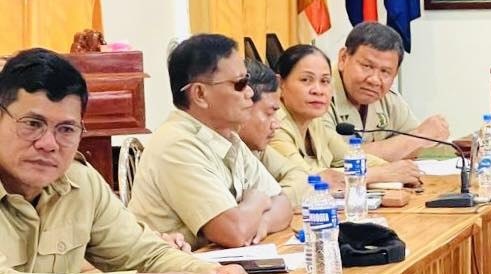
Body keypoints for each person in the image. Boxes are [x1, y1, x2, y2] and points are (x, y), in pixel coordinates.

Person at [0, 48, 259, 274]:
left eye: (66, 129)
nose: (48, 144)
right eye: (32, 124)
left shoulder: (80, 183)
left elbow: (144, 254)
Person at [130, 34, 292, 250]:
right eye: (240, 83)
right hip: (173, 268)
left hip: (213, 264)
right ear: (200, 94)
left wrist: (260, 223)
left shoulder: (227, 136)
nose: (250, 92)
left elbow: (283, 203)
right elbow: (234, 233)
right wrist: (258, 200)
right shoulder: (176, 145)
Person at [270, 45, 420, 187]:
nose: (318, 90)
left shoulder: (315, 123)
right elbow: (306, 180)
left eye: (325, 81)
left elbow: (351, 158)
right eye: (306, 80)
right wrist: (380, 174)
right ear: (280, 84)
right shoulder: (273, 125)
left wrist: (396, 169)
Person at [323, 22, 449, 162]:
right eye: (367, 66)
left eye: (385, 71)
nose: (374, 80)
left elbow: (419, 145)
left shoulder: (387, 96)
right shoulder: (318, 92)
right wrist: (419, 137)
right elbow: (336, 156)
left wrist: (428, 136)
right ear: (343, 58)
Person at [238, 60, 312, 207]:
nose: (276, 124)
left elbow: (301, 177)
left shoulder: (255, 148)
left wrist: (272, 205)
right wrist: (276, 206)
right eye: (268, 113)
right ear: (241, 106)